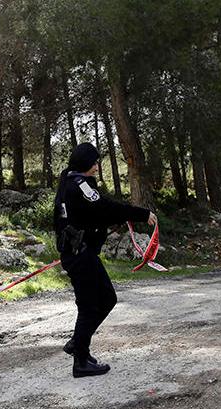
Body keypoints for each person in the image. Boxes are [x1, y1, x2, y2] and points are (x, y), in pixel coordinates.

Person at [53, 142, 157, 378]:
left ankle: (78, 344)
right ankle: (80, 360)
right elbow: (104, 207)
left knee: (104, 300)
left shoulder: (69, 181)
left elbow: (89, 215)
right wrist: (141, 214)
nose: (98, 165)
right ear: (86, 163)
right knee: (93, 304)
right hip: (80, 255)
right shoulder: (79, 185)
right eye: (96, 161)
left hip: (79, 253)